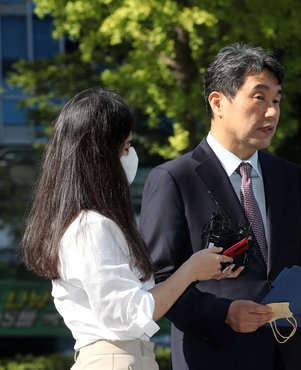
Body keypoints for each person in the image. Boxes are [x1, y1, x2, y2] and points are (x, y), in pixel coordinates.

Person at [19, 87, 241, 369]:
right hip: (116, 358)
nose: (130, 156)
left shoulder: (89, 224)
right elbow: (129, 315)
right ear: (98, 154)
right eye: (124, 147)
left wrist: (198, 272)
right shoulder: (91, 227)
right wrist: (189, 272)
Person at [140, 43, 301, 370]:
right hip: (215, 356)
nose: (271, 112)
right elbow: (160, 279)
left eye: (276, 101)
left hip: (291, 355)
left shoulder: (288, 175)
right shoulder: (173, 178)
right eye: (259, 98)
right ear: (218, 103)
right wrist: (223, 313)